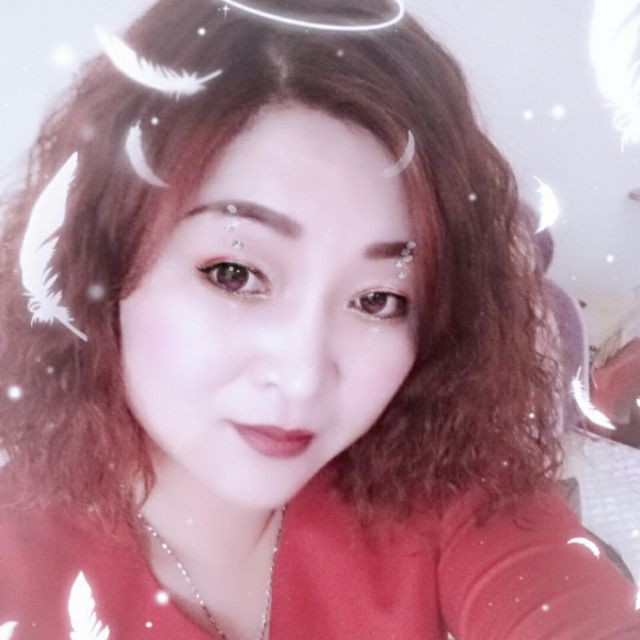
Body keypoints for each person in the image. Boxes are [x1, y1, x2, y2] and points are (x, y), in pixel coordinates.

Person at [0, 1, 637, 638]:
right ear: (99, 256)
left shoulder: (447, 486)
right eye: (234, 273)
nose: (303, 377)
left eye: (378, 299)